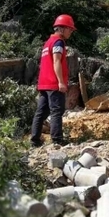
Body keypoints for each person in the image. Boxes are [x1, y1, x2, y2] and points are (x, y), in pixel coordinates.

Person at [31, 14, 76, 147]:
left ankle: (35, 140)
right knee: (56, 111)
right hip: (53, 84)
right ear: (62, 28)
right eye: (70, 29)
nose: (71, 32)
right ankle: (57, 140)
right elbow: (56, 61)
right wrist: (61, 82)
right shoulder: (58, 42)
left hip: (44, 84)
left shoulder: (47, 43)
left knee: (41, 113)